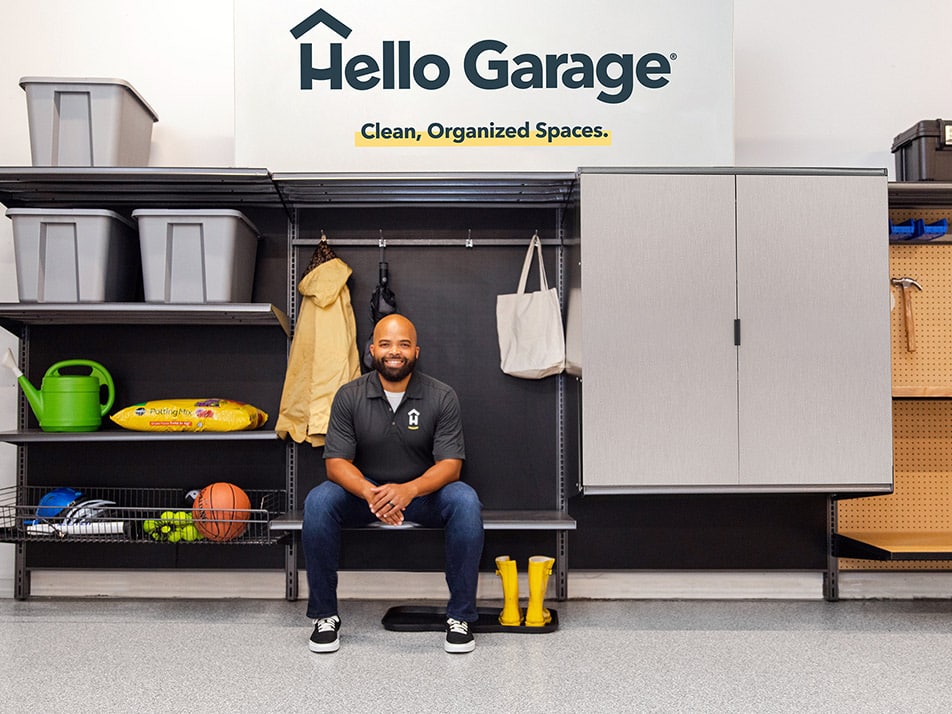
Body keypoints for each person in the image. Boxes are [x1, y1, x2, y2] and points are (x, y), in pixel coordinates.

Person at [302, 313, 484, 654]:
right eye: (385, 344)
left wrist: (408, 491)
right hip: (364, 494)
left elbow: (451, 465)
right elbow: (336, 463)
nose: (394, 351)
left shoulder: (441, 396)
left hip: (422, 495)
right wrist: (372, 494)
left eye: (403, 344)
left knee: (465, 500)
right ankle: (325, 616)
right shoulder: (349, 395)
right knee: (319, 502)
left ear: (416, 351)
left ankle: (459, 618)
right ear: (372, 350)